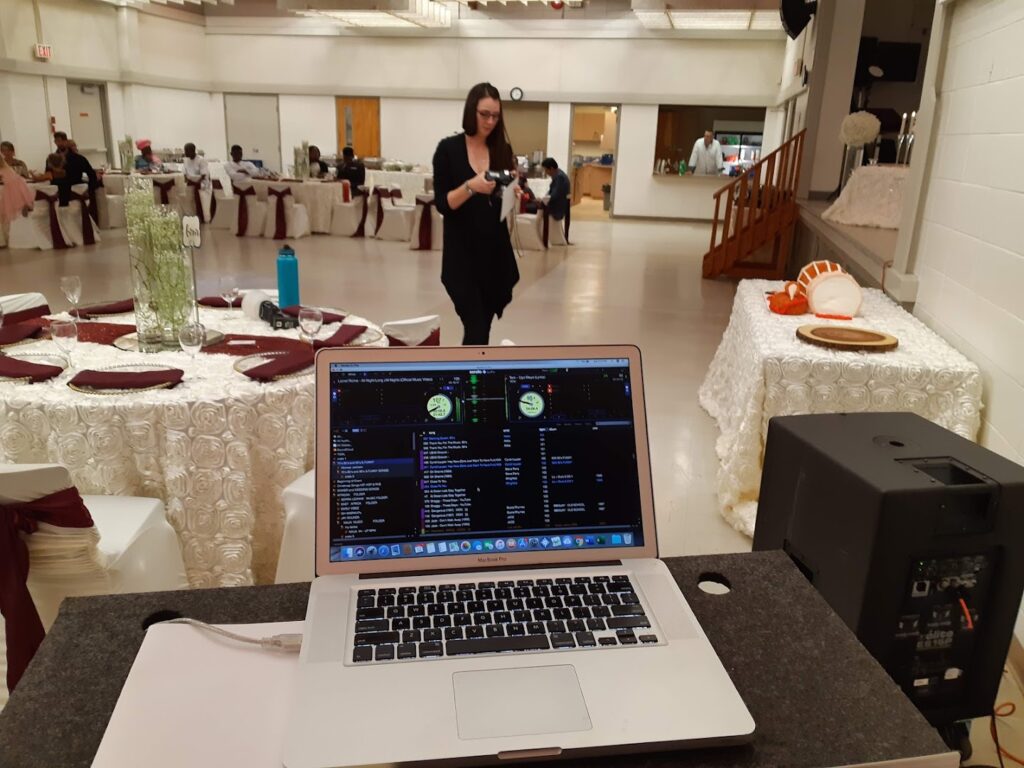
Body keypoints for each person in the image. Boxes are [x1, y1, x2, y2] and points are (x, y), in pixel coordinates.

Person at [433, 82, 519, 346]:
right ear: (471, 111)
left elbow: (500, 200)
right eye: (484, 114)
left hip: (494, 254)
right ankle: (472, 370)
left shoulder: (502, 149)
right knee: (476, 326)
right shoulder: (448, 150)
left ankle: (475, 369)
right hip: (462, 257)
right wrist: (471, 186)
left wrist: (512, 191)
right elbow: (443, 203)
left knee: (482, 330)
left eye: (495, 116)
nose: (490, 121)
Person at [53, 131, 98, 206]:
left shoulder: (79, 159)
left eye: (60, 141)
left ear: (66, 141)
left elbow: (92, 175)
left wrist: (89, 191)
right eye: (56, 141)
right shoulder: (52, 159)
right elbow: (49, 175)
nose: (58, 143)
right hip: (59, 194)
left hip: (74, 192)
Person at [0, 154, 34, 227]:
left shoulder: (3, 167)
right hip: (18, 182)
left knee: (11, 201)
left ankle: (25, 205)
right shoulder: (5, 167)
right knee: (20, 196)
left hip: (11, 184)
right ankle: (25, 204)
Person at [541, 157, 571, 237]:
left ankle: (543, 235)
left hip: (557, 206)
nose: (545, 172)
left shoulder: (559, 177)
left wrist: (543, 200)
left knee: (533, 207)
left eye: (546, 170)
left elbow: (554, 195)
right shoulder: (559, 174)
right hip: (559, 203)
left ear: (551, 169)